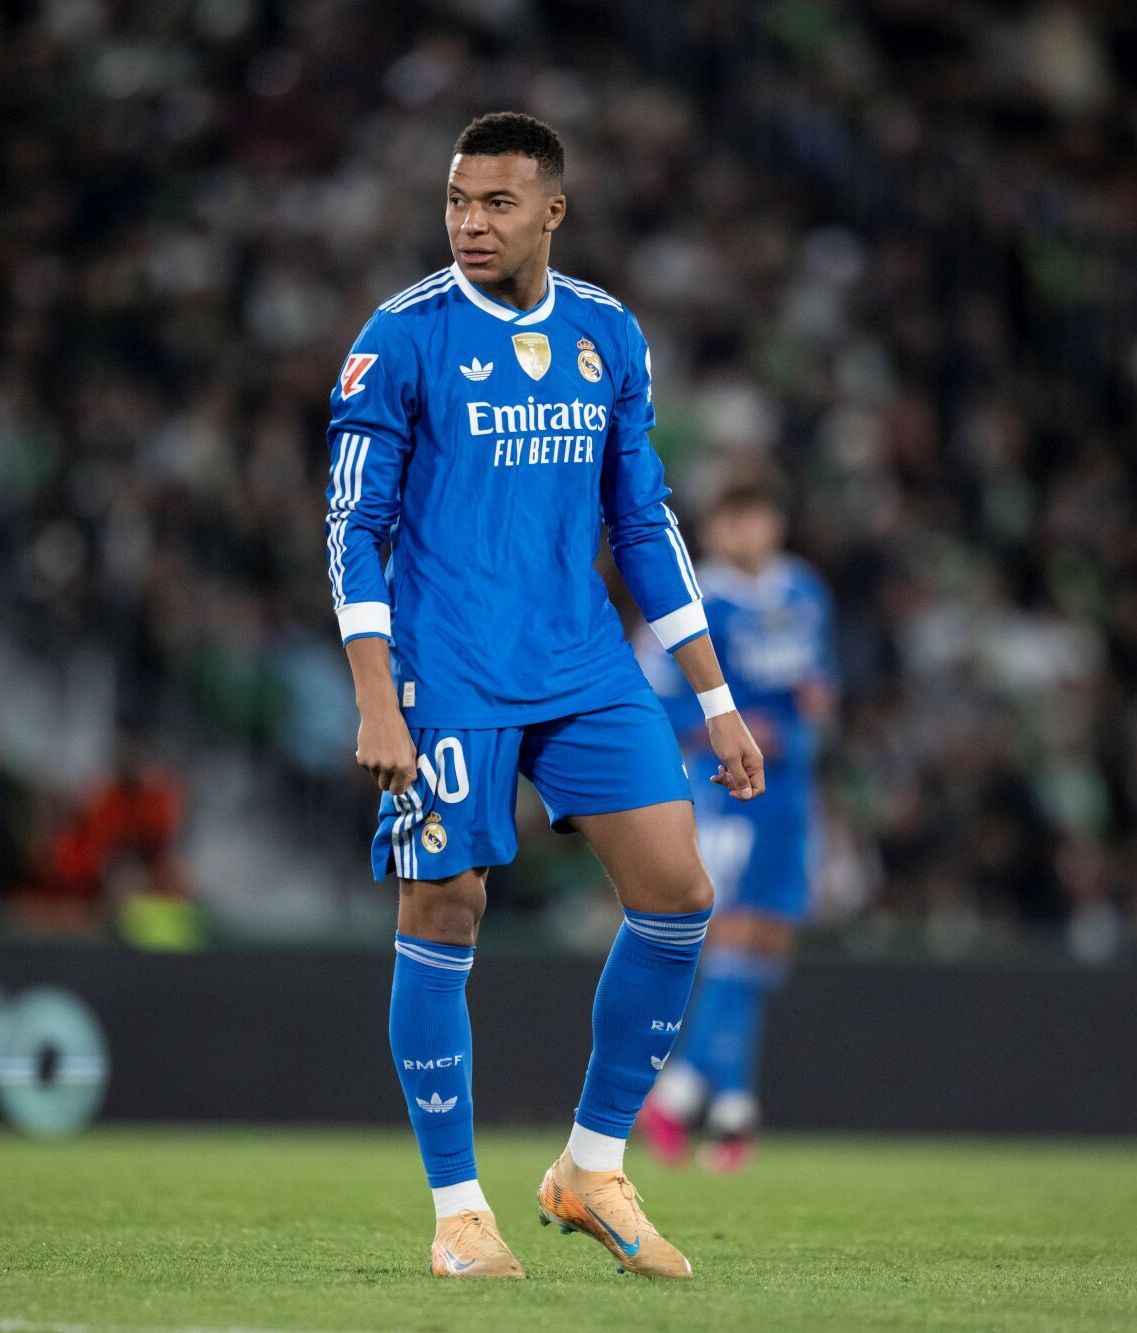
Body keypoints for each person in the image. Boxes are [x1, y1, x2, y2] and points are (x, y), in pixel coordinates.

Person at [326, 112, 765, 1281]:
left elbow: (643, 519)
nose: (471, 223)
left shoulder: (607, 334)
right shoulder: (398, 337)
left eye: (497, 204)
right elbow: (351, 527)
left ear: (551, 213)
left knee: (678, 891)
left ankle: (587, 1166)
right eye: (458, 202)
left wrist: (712, 694)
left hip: (578, 660)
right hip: (446, 667)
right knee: (444, 908)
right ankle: (458, 1209)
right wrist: (376, 694)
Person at [638, 476, 836, 1171]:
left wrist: (815, 701)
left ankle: (729, 1107)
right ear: (715, 528)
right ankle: (689, 1090)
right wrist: (722, 727)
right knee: (735, 933)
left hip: (792, 788)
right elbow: (655, 699)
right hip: (727, 789)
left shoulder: (806, 591)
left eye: (756, 517)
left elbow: (820, 678)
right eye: (733, 519)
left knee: (768, 943)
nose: (745, 531)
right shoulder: (694, 600)